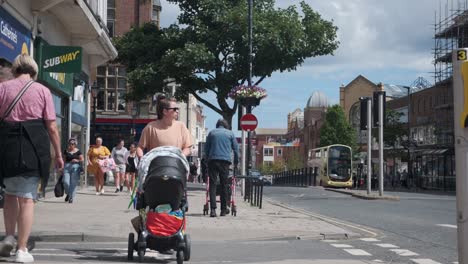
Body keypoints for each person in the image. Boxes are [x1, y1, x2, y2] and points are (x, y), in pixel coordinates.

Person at [0, 54, 64, 262]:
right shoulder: (42, 91)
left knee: (10, 194)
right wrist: (59, 154)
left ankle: (9, 236)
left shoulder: (2, 88)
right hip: (33, 147)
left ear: (15, 70)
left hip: (7, 147)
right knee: (27, 198)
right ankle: (22, 249)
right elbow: (52, 127)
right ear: (34, 71)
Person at [204, 118, 239, 217]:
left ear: (217, 125)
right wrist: (236, 161)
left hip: (213, 160)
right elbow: (236, 149)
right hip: (225, 161)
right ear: (225, 125)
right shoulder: (230, 134)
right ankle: (223, 210)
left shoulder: (211, 133)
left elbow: (206, 149)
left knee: (213, 184)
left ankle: (213, 210)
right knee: (224, 184)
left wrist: (206, 161)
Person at [62, 138, 83, 203]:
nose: (71, 145)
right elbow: (64, 160)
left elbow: (82, 159)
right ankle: (68, 193)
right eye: (70, 144)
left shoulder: (78, 151)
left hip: (75, 167)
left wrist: (77, 160)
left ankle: (71, 197)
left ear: (75, 144)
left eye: (72, 144)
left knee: (73, 183)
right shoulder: (66, 151)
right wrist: (62, 168)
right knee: (66, 182)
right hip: (67, 167)